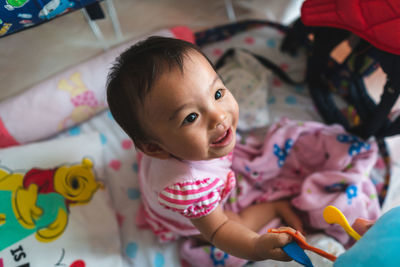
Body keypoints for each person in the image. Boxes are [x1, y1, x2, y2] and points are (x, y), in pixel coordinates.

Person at [106, 36, 304, 262]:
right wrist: (256, 246)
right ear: (153, 148)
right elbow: (219, 230)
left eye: (218, 94)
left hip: (159, 176)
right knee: (235, 223)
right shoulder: (190, 188)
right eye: (191, 117)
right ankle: (275, 207)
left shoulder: (167, 141)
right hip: (190, 219)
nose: (219, 116)